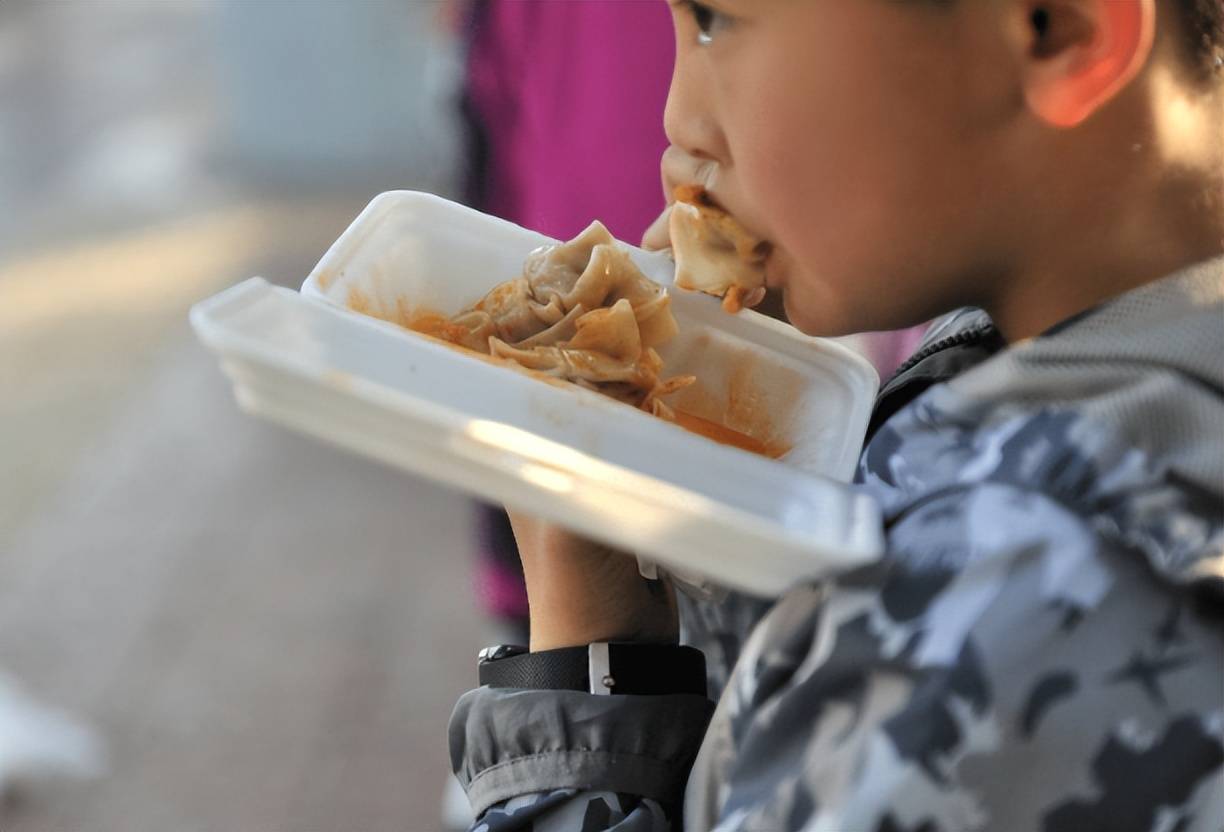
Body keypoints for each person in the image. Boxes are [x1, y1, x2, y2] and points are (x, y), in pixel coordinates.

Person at [449, 0, 1224, 829]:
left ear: (1057, 30)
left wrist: (585, 653)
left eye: (716, 21)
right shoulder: (1064, 394)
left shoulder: (1012, 603)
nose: (680, 121)